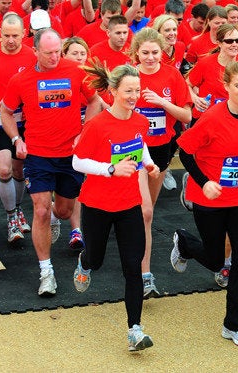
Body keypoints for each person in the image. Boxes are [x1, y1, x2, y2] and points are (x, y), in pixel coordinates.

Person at [170, 61, 238, 346]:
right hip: (210, 198)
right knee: (216, 259)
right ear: (227, 86)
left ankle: (234, 322)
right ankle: (185, 243)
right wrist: (204, 181)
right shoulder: (212, 118)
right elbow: (184, 152)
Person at [0, 28, 101, 297]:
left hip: (70, 155)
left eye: (58, 51)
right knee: (41, 210)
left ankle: (58, 217)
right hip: (38, 155)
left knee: (65, 212)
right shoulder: (21, 79)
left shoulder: (76, 71)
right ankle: (47, 272)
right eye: (49, 53)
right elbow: (5, 111)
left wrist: (84, 132)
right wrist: (16, 139)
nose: (55, 57)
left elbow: (95, 101)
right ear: (36, 51)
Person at [72, 62, 160, 352]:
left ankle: (135, 329)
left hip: (128, 203)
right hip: (97, 204)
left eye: (137, 90)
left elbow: (140, 143)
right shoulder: (97, 125)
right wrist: (110, 169)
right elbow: (77, 162)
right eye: (128, 91)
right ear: (112, 91)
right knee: (96, 259)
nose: (134, 96)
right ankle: (84, 262)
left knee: (133, 266)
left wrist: (148, 162)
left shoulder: (140, 121)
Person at [128, 27, 192, 297]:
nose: (151, 57)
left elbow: (187, 115)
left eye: (155, 52)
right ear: (136, 53)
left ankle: (143, 271)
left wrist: (163, 103)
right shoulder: (129, 75)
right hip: (131, 149)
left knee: (146, 211)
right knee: (142, 213)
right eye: (146, 53)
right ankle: (145, 274)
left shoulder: (172, 75)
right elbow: (111, 108)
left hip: (160, 149)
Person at [0, 14, 36, 245]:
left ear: (24, 33)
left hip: (24, 120)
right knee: (5, 169)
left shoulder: (31, 55)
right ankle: (11, 218)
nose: (10, 40)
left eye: (15, 36)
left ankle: (17, 209)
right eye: (6, 35)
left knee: (19, 171)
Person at [61, 36, 91, 251]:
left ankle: (76, 230)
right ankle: (55, 214)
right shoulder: (57, 77)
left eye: (83, 53)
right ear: (63, 55)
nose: (79, 57)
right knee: (61, 199)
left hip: (83, 137)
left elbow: (101, 101)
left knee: (80, 183)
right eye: (74, 53)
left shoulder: (90, 78)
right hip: (58, 139)